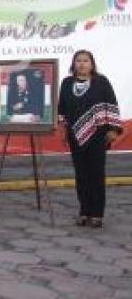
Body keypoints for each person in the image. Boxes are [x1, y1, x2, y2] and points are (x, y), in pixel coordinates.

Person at [58, 50, 123, 228]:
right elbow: (62, 109)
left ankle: (97, 214)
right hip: (75, 135)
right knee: (81, 175)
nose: (82, 64)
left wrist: (113, 129)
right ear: (73, 64)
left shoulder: (101, 82)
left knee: (96, 174)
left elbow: (112, 104)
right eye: (78, 61)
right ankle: (84, 211)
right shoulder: (66, 83)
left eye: (86, 61)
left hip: (98, 135)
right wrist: (63, 130)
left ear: (92, 64)